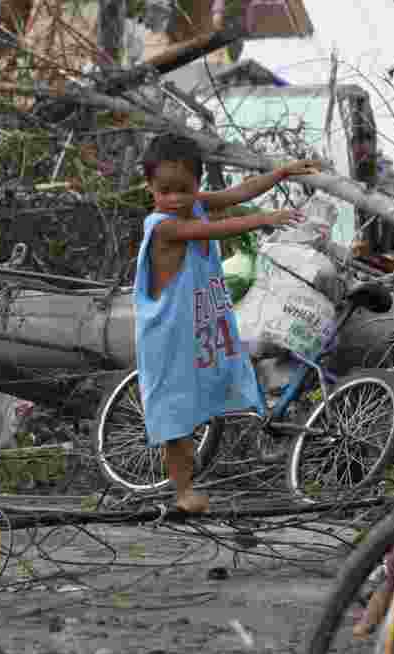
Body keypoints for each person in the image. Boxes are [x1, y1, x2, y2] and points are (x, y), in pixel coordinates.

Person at [136, 134, 320, 514]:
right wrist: (264, 219)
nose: (175, 199)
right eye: (164, 190)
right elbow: (214, 230)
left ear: (197, 185)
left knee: (197, 401)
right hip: (168, 336)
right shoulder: (162, 226)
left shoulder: (196, 205)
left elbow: (238, 192)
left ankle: (192, 485)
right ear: (150, 187)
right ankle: (183, 492)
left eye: (183, 190)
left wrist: (281, 172)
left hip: (197, 327)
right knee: (176, 417)